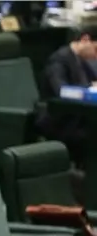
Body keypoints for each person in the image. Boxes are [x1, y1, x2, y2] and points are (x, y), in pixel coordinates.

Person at [38, 29, 97, 167]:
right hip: (63, 121)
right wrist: (89, 88)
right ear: (85, 40)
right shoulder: (58, 59)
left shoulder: (82, 60)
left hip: (81, 117)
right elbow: (62, 91)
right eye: (96, 49)